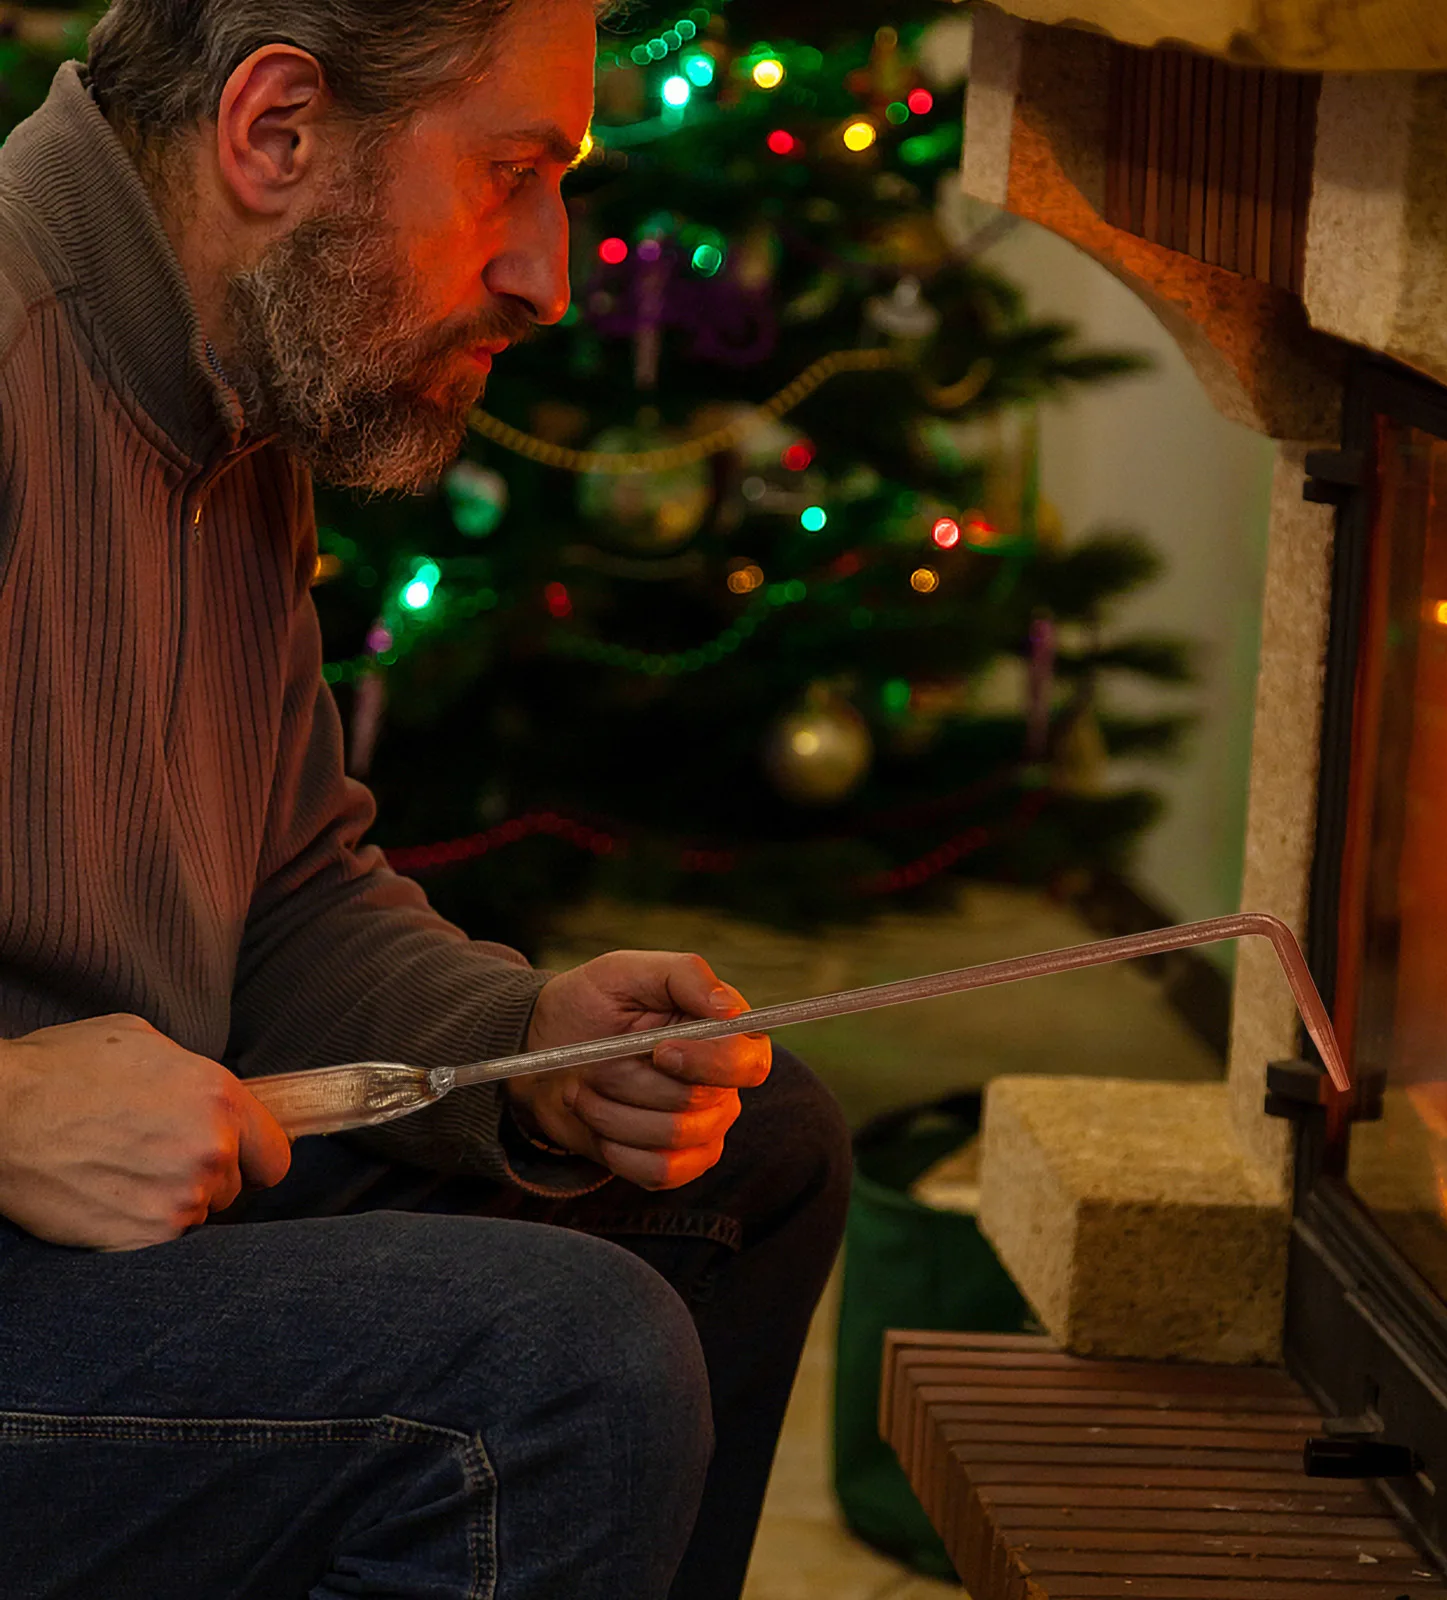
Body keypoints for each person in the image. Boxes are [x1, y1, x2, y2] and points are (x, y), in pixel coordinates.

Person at [0, 0, 852, 1595]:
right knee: (561, 1373)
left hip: (111, 1225)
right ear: (274, 131)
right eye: (509, 174)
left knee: (753, 1153)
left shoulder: (230, 391)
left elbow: (293, 898)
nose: (547, 272)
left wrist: (530, 1053)